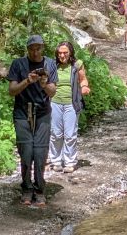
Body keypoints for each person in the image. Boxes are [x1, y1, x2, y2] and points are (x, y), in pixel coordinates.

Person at [7, 35, 58, 206]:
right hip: (22, 112)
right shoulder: (18, 64)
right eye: (32, 48)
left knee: (40, 153)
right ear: (27, 49)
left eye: (38, 48)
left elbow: (52, 92)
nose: (35, 52)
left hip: (42, 112)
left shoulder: (50, 64)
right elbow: (12, 90)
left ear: (43, 48)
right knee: (26, 151)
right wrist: (27, 81)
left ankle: (40, 189)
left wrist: (44, 84)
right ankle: (27, 189)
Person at [48, 41, 90, 174]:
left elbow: (83, 79)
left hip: (72, 103)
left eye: (65, 52)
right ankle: (55, 161)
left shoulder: (77, 65)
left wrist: (84, 87)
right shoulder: (52, 65)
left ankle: (70, 162)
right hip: (54, 102)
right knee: (55, 133)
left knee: (70, 134)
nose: (62, 55)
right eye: (60, 53)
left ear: (70, 52)